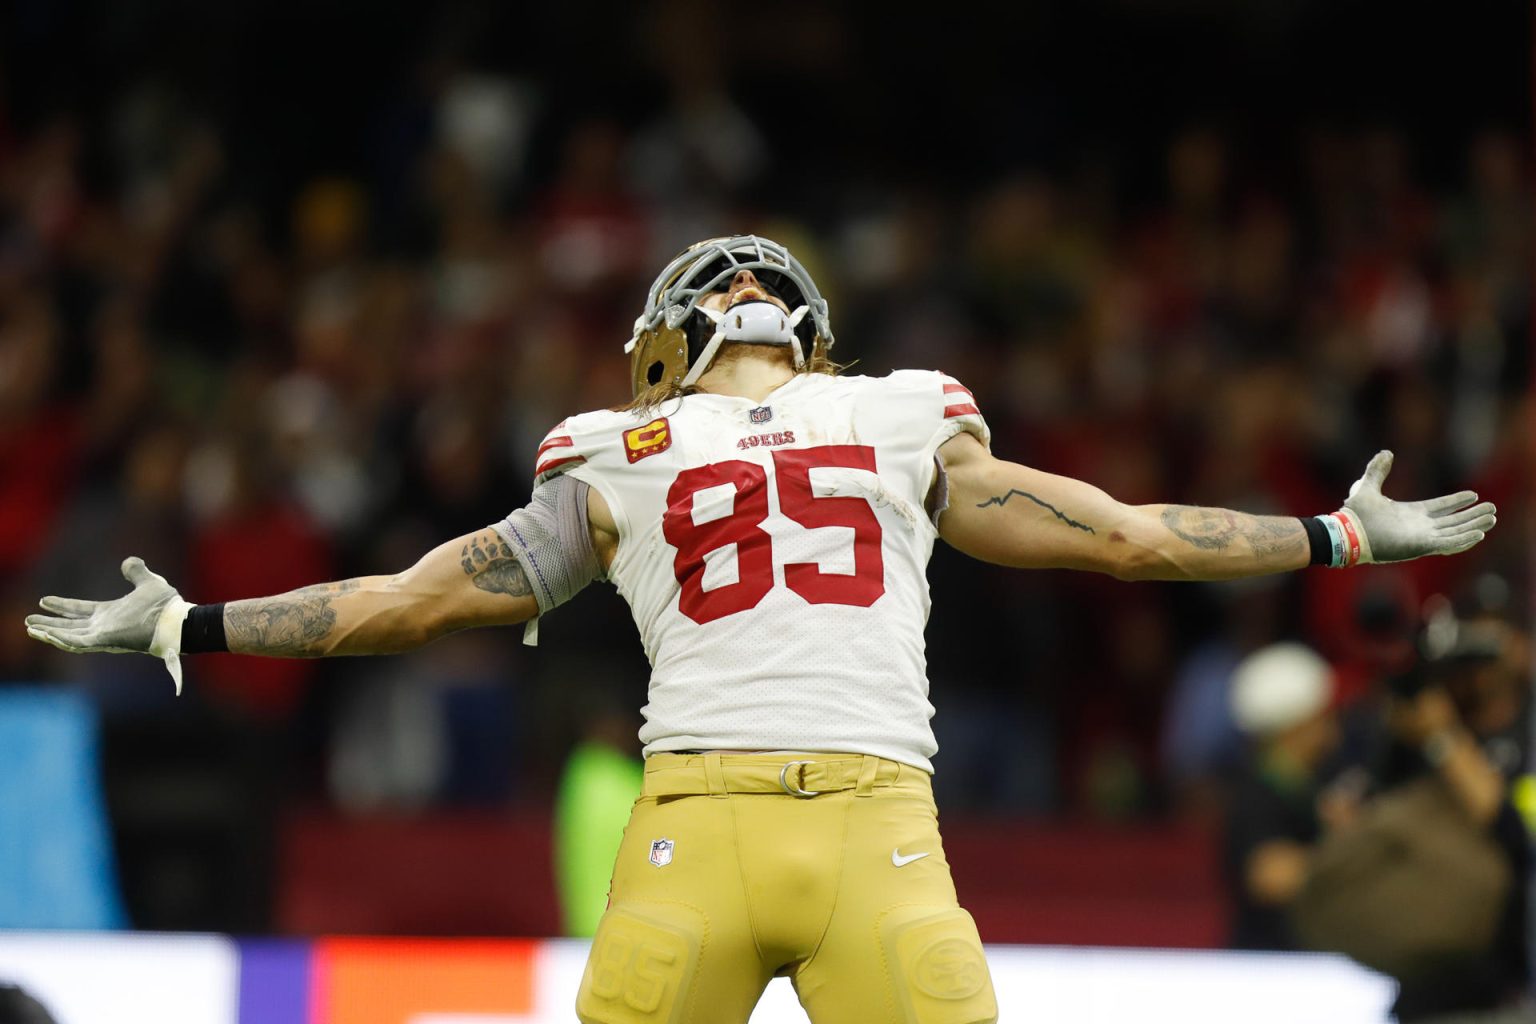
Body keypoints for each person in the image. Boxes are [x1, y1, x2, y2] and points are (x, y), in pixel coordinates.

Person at [25, 235, 1498, 1024]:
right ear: (805, 334)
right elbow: (1123, 535)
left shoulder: (620, 446)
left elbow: (407, 604)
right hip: (879, 838)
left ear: (668, 346)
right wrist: (1336, 534)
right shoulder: (903, 413)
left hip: (698, 834)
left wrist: (200, 624)